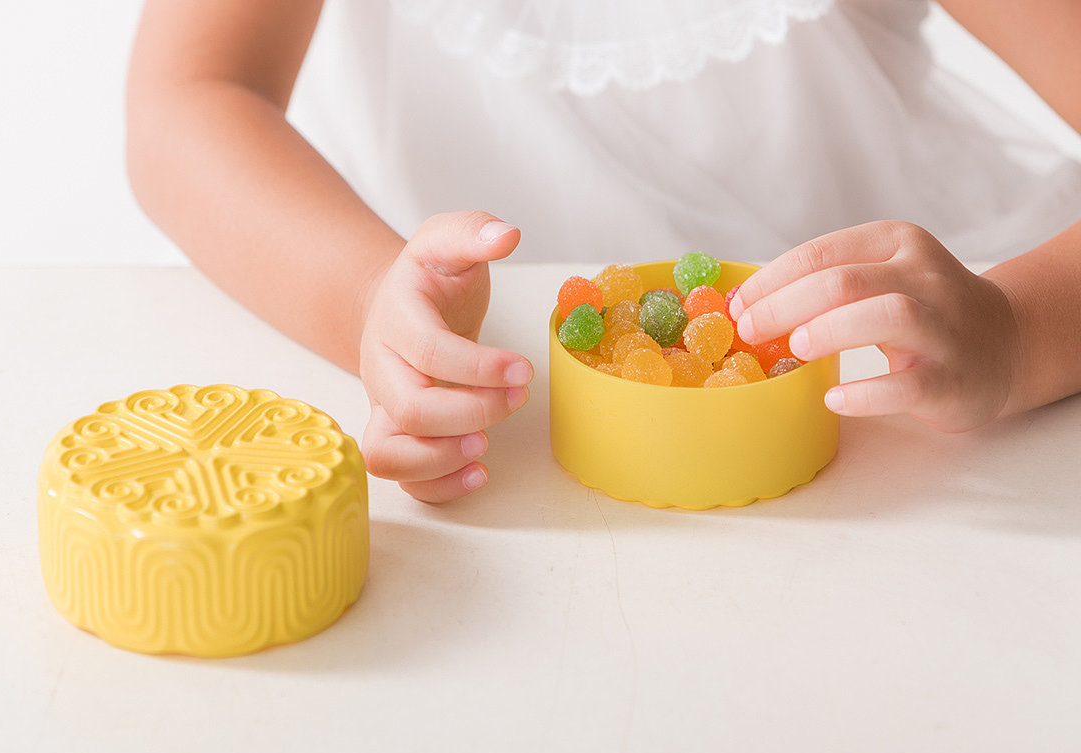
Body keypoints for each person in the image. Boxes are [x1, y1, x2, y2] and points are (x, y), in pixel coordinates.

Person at [125, 0, 1081, 503]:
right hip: (516, 443)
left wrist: (1015, 329)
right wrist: (370, 300)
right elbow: (189, 100)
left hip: (876, 423)